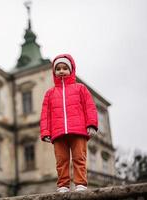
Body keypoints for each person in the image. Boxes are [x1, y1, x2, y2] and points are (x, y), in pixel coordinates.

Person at [40, 54, 98, 193]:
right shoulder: (50, 93)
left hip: (79, 131)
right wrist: (45, 131)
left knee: (79, 158)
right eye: (58, 68)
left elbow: (89, 107)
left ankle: (80, 184)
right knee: (61, 161)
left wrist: (91, 124)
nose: (61, 71)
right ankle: (63, 186)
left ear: (71, 70)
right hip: (58, 133)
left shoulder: (80, 88)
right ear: (54, 72)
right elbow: (45, 114)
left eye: (65, 68)